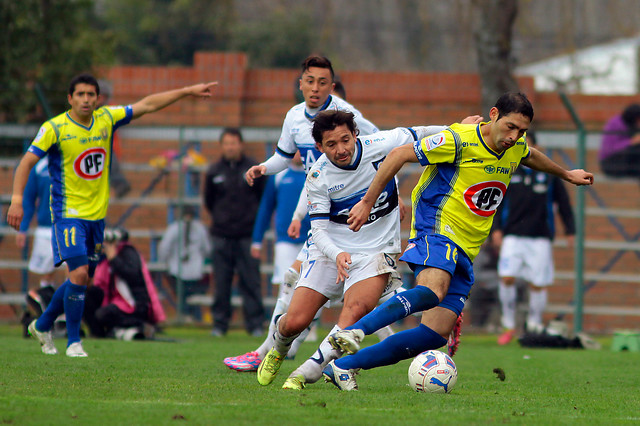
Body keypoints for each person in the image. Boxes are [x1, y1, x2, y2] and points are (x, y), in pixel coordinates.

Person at [323, 92, 593, 391]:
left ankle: (343, 366)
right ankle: (356, 331)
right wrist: (366, 202)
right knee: (432, 290)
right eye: (510, 127)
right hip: (436, 226)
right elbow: (399, 154)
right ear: (494, 114)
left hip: (467, 245)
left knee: (433, 335)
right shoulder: (458, 140)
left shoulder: (515, 147)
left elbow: (530, 155)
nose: (514, 136)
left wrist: (567, 174)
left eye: (521, 131)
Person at [7, 73, 217, 357]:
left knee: (81, 279)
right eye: (79, 94)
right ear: (70, 99)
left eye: (90, 95)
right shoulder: (54, 128)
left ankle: (42, 324)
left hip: (96, 218)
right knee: (79, 273)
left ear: (97, 99)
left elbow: (147, 105)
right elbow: (26, 163)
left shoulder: (107, 119)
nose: (85, 99)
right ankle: (73, 342)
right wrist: (17, 200)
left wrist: (187, 90)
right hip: (68, 214)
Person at [255, 109, 459, 389]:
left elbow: (422, 132)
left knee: (355, 311)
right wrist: (337, 254)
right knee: (294, 322)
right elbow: (319, 231)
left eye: (345, 140)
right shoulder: (318, 176)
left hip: (375, 251)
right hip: (331, 250)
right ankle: (278, 349)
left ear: (355, 135)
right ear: (319, 147)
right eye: (331, 144)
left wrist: (460, 129)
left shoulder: (381, 145)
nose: (341, 149)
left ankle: (305, 373)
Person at [493, 131, 576, 344]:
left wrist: (570, 230)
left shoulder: (548, 174)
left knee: (538, 283)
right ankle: (508, 324)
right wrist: (497, 230)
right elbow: (498, 201)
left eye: (527, 146)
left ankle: (534, 323)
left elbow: (564, 203)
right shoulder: (508, 170)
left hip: (540, 236)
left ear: (535, 148)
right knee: (507, 277)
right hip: (513, 235)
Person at [204, 127, 266, 337]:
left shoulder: (253, 169)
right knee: (221, 282)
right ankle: (219, 325)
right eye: (226, 143)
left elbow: (261, 198)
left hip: (247, 235)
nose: (230, 147)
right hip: (221, 235)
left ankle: (255, 324)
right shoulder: (214, 171)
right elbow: (209, 201)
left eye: (234, 143)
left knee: (251, 281)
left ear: (241, 144)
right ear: (222, 146)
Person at [84, 227, 166, 339]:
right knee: (85, 297)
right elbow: (99, 283)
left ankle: (140, 325)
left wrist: (114, 259)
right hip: (115, 300)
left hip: (133, 304)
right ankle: (98, 333)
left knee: (103, 314)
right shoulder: (103, 256)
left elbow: (132, 276)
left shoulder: (127, 252)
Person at [16, 156, 65, 290]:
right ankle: (45, 305)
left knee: (74, 273)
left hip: (70, 228)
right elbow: (29, 199)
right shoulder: (39, 167)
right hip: (45, 229)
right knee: (46, 275)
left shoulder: (73, 162)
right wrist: (23, 228)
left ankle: (70, 309)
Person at [158, 205, 211, 322]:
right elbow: (207, 249)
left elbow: (164, 248)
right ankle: (190, 317)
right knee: (188, 298)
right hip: (189, 271)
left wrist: (164, 261)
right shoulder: (199, 228)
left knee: (187, 298)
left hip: (182, 271)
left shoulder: (175, 228)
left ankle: (190, 317)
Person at [97, 79, 132, 198]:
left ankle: (120, 184)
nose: (100, 99)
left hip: (109, 148)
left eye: (103, 96)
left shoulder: (110, 109)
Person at [599, 103, 640, 178]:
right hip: (610, 163)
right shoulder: (615, 123)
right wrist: (632, 141)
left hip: (628, 164)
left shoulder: (632, 126)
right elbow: (610, 149)